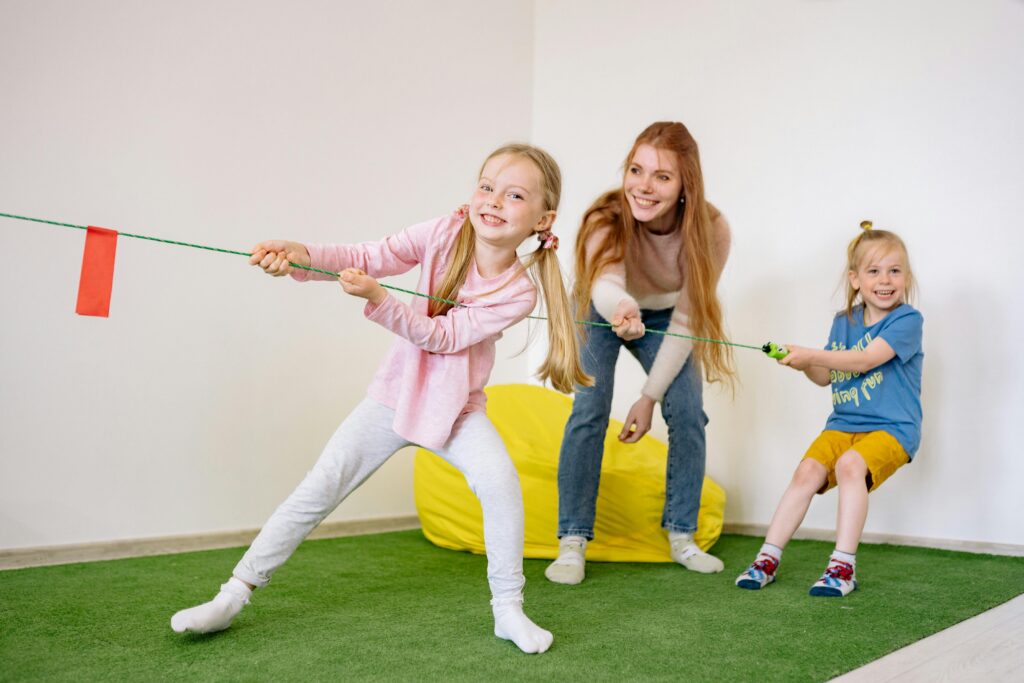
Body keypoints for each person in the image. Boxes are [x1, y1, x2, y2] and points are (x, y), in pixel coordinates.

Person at [170, 143, 589, 653]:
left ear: (543, 218)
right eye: (486, 186)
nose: (494, 200)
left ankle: (508, 610)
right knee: (319, 487)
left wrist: (379, 299)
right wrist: (303, 256)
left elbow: (444, 337)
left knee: (500, 484)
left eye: (514, 194)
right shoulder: (442, 232)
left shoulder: (520, 292)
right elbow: (369, 256)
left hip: (457, 410)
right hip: (395, 395)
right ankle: (233, 595)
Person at [545, 121, 735, 585]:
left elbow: (689, 318)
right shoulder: (605, 217)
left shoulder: (711, 229)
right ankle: (572, 540)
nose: (644, 187)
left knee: (688, 411)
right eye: (636, 170)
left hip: (669, 317)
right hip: (604, 304)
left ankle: (681, 535)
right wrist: (621, 308)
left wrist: (649, 397)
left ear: (686, 184)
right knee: (589, 407)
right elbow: (605, 284)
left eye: (662, 177)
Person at [735, 222, 922, 597]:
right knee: (807, 470)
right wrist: (801, 361)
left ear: (905, 277)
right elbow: (826, 375)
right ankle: (766, 559)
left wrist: (811, 353)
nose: (885, 280)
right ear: (855, 279)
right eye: (874, 271)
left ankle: (842, 567)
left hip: (893, 429)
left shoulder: (907, 320)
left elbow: (866, 360)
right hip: (843, 424)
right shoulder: (843, 323)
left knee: (850, 465)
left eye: (894, 271)